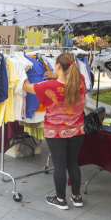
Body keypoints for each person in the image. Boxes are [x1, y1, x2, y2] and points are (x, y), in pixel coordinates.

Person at [23, 53, 86, 210]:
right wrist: (55, 74)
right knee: (73, 162)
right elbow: (67, 78)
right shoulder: (81, 81)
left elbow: (26, 86)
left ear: (58, 66)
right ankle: (77, 198)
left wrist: (21, 71)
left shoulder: (49, 86)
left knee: (59, 165)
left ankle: (61, 199)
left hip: (55, 131)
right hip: (77, 129)